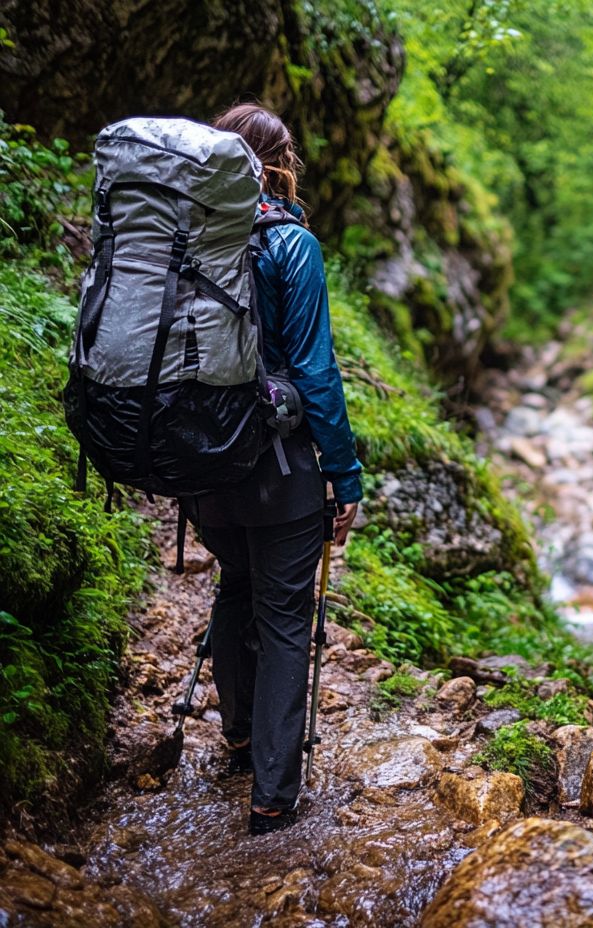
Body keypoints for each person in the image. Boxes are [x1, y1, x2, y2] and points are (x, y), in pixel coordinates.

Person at [196, 103, 362, 836]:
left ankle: (237, 737)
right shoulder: (289, 243)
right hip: (278, 462)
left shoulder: (183, 234)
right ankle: (272, 795)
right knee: (287, 615)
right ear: (275, 160)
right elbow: (316, 373)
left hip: (198, 463)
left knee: (237, 583)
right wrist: (344, 473)